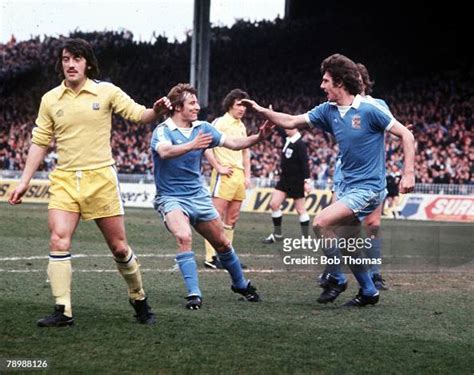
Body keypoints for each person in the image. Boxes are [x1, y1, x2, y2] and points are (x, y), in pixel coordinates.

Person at [8, 38, 169, 326]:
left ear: (88, 63)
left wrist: (156, 111)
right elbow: (40, 142)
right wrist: (23, 181)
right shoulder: (50, 99)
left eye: (77, 59)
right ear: (61, 63)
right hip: (65, 180)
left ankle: (139, 298)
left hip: (101, 179)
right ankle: (63, 310)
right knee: (58, 239)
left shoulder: (106, 91)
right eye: (66, 58)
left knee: (119, 247)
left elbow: (139, 115)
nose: (70, 64)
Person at [243, 53, 415, 307]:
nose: (322, 86)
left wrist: (408, 173)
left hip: (369, 188)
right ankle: (369, 291)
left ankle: (336, 277)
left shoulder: (370, 109)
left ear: (340, 83)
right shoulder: (328, 110)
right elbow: (291, 121)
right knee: (348, 241)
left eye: (325, 81)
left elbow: (406, 135)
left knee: (322, 222)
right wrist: (261, 111)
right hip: (346, 187)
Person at [150, 83, 271, 310]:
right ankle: (194, 294)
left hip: (198, 196)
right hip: (171, 197)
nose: (197, 106)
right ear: (177, 107)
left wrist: (258, 137)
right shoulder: (163, 130)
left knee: (222, 243)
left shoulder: (203, 127)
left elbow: (234, 143)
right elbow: (164, 151)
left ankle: (240, 284)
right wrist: (192, 145)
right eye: (192, 103)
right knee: (184, 236)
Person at [321, 63, 392, 292]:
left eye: (360, 78)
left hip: (370, 175)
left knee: (373, 223)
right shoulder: (338, 106)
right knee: (338, 225)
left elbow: (393, 129)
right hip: (344, 171)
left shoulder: (376, 105)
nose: (357, 81)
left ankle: (373, 272)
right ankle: (334, 271)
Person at [203, 89, 252, 269]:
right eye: (239, 104)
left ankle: (227, 256)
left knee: (232, 218)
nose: (242, 109)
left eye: (245, 106)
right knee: (215, 216)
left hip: (238, 177)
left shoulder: (241, 126)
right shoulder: (220, 122)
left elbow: (246, 151)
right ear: (230, 104)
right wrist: (218, 167)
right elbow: (205, 145)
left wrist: (247, 175)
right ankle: (211, 257)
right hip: (224, 175)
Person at [262, 127, 311, 243]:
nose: (286, 129)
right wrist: (271, 115)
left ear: (296, 128)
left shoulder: (300, 144)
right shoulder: (288, 139)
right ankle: (278, 234)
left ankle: (306, 238)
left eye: (289, 127)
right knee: (274, 204)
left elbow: (305, 164)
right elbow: (280, 129)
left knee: (300, 209)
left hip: (296, 180)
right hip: (284, 179)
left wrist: (306, 181)